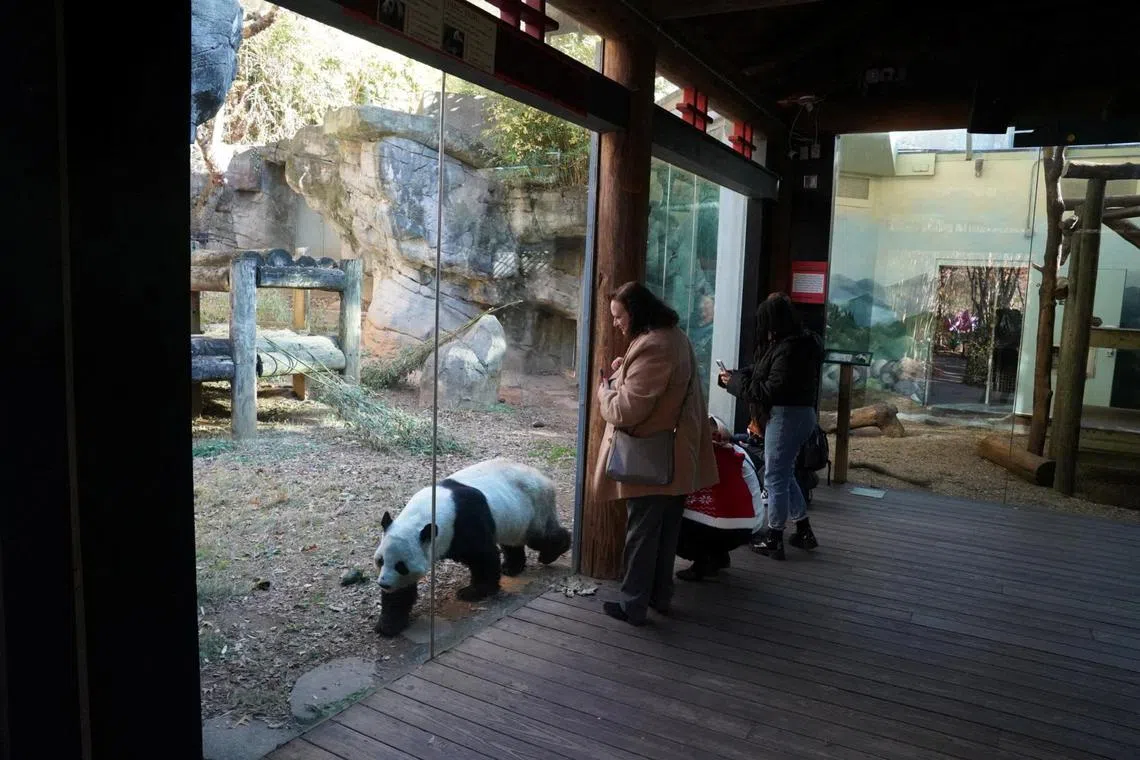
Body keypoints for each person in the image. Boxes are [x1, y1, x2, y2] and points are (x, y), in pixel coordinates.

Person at [594, 281, 718, 626]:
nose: (617, 323)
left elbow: (625, 412)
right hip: (675, 456)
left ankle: (633, 605)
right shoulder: (672, 336)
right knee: (664, 535)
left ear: (636, 312)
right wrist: (625, 371)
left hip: (653, 459)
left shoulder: (655, 346)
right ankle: (660, 597)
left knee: (643, 535)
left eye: (619, 316)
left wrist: (605, 392)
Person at [718, 293, 823, 560]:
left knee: (774, 476)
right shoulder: (799, 343)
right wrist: (737, 376)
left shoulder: (788, 348)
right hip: (802, 415)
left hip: (786, 416)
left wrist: (734, 383)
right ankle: (803, 529)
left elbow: (770, 390)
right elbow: (764, 372)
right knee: (783, 473)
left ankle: (774, 537)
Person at [675, 416, 766, 582]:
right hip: (751, 522)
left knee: (673, 521)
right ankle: (718, 554)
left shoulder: (716, 454)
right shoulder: (738, 451)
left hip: (732, 525)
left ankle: (703, 563)